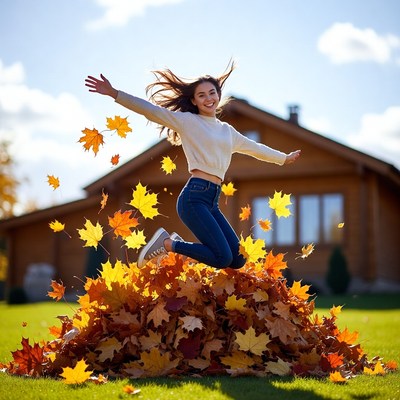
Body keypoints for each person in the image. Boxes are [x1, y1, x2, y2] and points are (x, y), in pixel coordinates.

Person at [85, 62, 301, 269]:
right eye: (201, 95)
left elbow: (255, 148)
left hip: (211, 200)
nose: (208, 98)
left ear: (218, 95)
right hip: (194, 197)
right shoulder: (188, 122)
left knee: (237, 259)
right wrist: (115, 94)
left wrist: (283, 158)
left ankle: (175, 244)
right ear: (195, 101)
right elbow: (150, 110)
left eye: (212, 93)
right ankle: (167, 244)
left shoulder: (227, 131)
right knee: (222, 257)